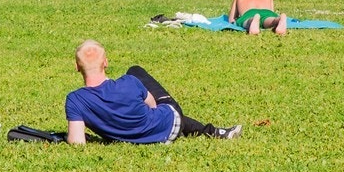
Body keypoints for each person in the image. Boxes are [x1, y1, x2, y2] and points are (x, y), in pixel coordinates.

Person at [65, 41, 240, 143]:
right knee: (135, 70)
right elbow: (153, 105)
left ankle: (217, 132)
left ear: (76, 67)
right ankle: (216, 132)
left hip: (139, 136)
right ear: (106, 63)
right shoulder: (129, 83)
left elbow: (77, 142)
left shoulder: (75, 100)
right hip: (168, 125)